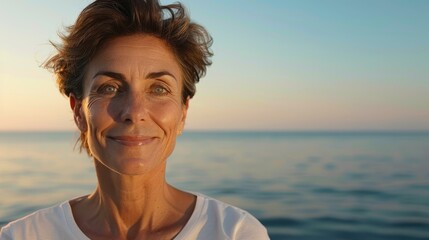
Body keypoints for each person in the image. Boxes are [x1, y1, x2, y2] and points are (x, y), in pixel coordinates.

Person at [0, 0, 269, 239]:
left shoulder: (234, 232)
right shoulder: (22, 236)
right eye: (109, 87)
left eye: (159, 89)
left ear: (183, 112)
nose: (134, 111)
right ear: (78, 111)